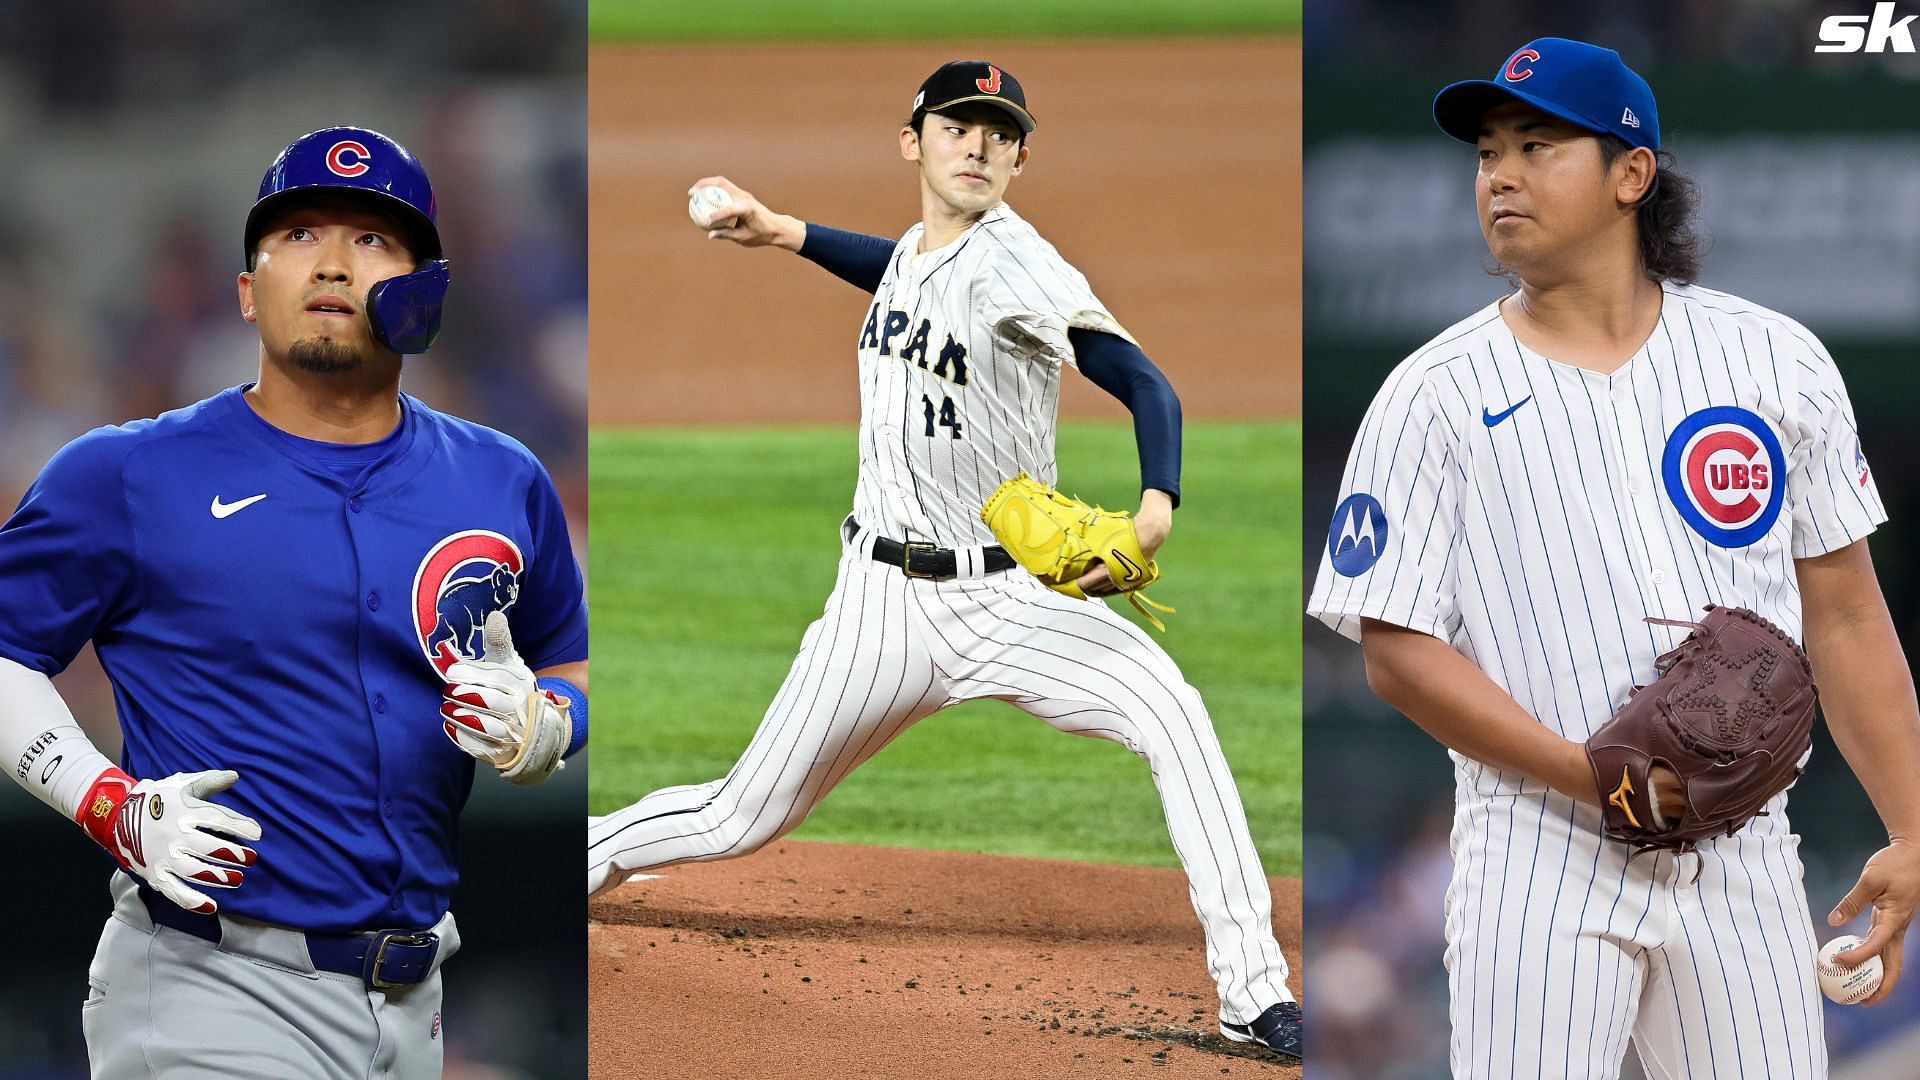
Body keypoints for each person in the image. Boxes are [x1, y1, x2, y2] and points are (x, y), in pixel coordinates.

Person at [586, 60, 1300, 1060]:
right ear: (912, 140)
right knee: (738, 814)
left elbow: (1145, 381)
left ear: (1018, 157)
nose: (978, 145)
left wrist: (1153, 510)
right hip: (877, 607)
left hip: (1011, 605)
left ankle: (1253, 994)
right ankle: (572, 864)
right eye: (958, 126)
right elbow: (903, 266)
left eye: (1000, 134)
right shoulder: (924, 249)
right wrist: (786, 233)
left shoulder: (1022, 264)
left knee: (1171, 711)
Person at [1308, 37, 1920, 1078]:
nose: (1498, 173)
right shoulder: (1432, 391)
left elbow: (1850, 615)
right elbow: (1395, 651)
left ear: (1632, 174)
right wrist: (1596, 781)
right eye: (1486, 152)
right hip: (1536, 855)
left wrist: (1910, 829)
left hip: (1744, 857)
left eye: (1537, 144)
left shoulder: (1774, 360)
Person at [0, 126, 589, 1079]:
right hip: (206, 986)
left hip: (416, 1001)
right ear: (246, 290)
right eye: (297, 233)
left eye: (370, 238)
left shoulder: (501, 479)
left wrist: (552, 721)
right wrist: (103, 798)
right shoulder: (128, 471)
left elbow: (569, 653)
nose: (330, 260)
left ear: (425, 291)